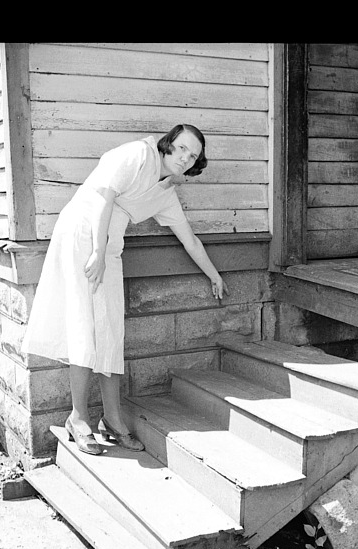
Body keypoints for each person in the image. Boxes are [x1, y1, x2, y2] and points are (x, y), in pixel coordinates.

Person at [21, 124, 228, 455]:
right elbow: (105, 197)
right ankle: (78, 418)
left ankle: (113, 420)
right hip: (84, 234)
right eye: (182, 148)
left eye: (193, 156)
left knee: (111, 329)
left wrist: (214, 274)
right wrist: (97, 252)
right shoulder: (137, 154)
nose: (186, 158)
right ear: (168, 144)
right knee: (84, 324)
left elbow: (189, 239)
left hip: (109, 246)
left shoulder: (165, 194)